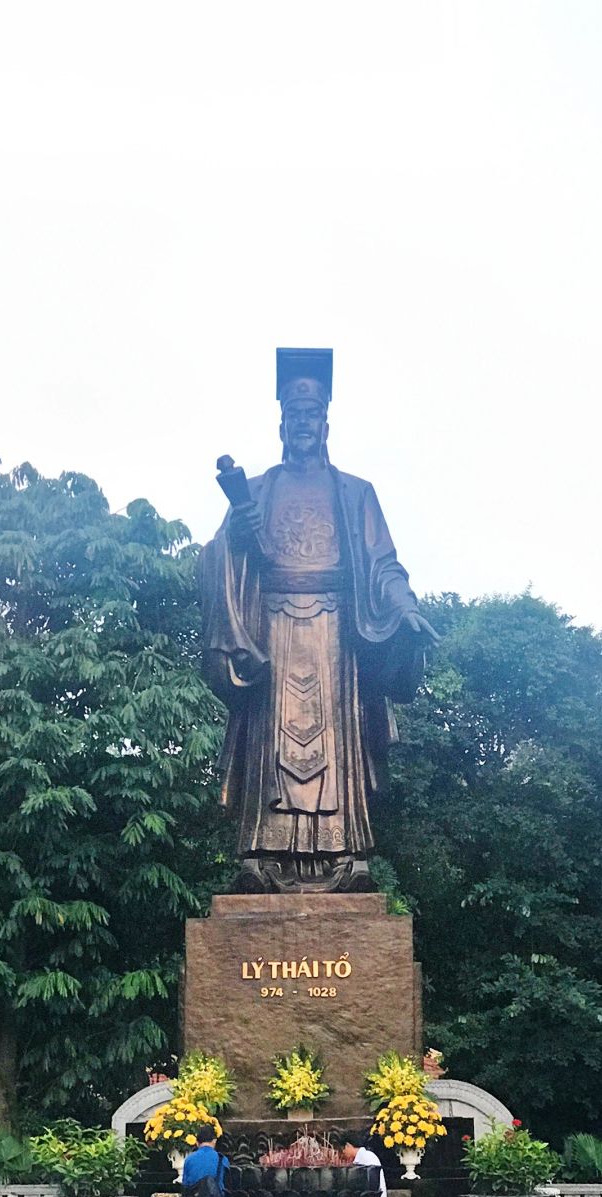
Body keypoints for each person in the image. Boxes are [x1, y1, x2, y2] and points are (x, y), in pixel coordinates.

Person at [198, 347, 437, 894]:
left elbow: (384, 565)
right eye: (293, 415)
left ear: (326, 421)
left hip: (335, 635)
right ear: (281, 422)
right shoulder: (255, 491)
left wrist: (405, 607)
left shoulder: (354, 493)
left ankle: (347, 854)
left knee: (334, 746)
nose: (302, 424)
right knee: (272, 745)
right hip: (273, 630)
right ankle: (260, 855)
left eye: (311, 415)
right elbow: (217, 557)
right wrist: (236, 539)